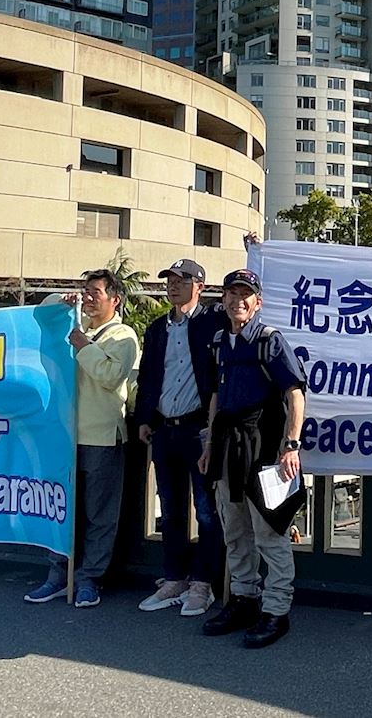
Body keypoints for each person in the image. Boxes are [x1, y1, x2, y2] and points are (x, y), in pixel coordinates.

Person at [200, 268, 307, 648]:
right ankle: (244, 598)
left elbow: (295, 394)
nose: (237, 301)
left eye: (245, 294)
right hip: (227, 448)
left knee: (270, 533)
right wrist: (209, 445)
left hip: (264, 449)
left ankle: (276, 610)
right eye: (231, 293)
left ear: (257, 302)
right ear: (224, 299)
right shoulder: (219, 343)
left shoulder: (269, 341)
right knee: (234, 530)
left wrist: (291, 446)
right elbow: (215, 397)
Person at [24, 269, 140, 608]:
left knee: (99, 515)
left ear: (115, 299)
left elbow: (111, 376)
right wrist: (61, 301)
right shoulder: (75, 325)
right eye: (85, 291)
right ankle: (58, 575)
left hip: (101, 437)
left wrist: (83, 346)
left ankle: (89, 579)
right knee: (61, 510)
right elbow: (42, 315)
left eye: (95, 292)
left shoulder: (123, 335)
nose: (88, 297)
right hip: (64, 436)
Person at [133, 258, 228, 616]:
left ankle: (203, 583)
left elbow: (242, 305)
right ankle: (174, 578)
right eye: (170, 280)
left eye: (182, 280)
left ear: (199, 286)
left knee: (206, 511)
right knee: (171, 509)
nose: (173, 286)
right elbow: (148, 376)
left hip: (199, 428)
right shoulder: (158, 328)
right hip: (164, 429)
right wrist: (144, 418)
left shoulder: (213, 322)